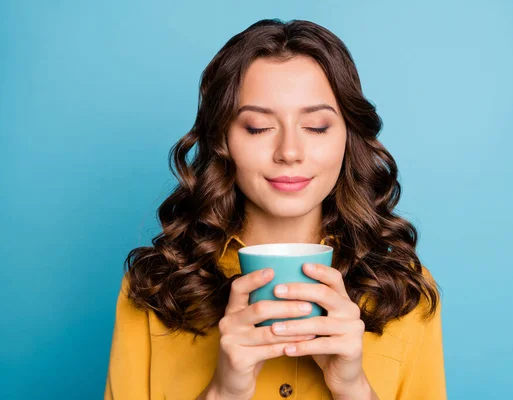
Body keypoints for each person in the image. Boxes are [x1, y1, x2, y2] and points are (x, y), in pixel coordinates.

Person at [104, 18, 446, 400]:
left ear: (349, 138)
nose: (289, 153)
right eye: (257, 128)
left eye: (316, 127)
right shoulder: (154, 288)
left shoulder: (403, 291)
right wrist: (223, 392)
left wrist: (353, 389)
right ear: (222, 139)